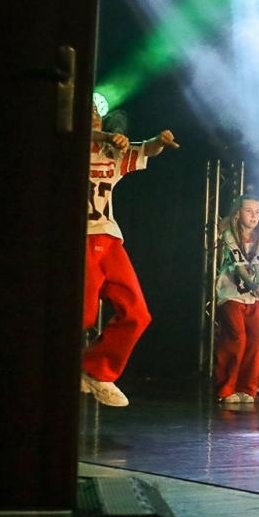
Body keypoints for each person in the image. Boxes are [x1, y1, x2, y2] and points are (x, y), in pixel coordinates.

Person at [82, 108, 180, 407]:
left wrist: (159, 142)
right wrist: (106, 134)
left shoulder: (110, 151)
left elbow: (144, 149)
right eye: (88, 112)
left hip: (109, 239)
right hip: (81, 238)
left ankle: (96, 370)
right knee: (83, 315)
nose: (95, 115)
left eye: (97, 112)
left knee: (138, 314)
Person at [214, 194, 259, 407]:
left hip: (255, 297)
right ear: (238, 213)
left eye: (257, 212)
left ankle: (247, 388)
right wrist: (253, 284)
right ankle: (227, 387)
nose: (254, 216)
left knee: (255, 339)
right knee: (236, 338)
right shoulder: (230, 234)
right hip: (232, 292)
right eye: (249, 211)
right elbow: (239, 266)